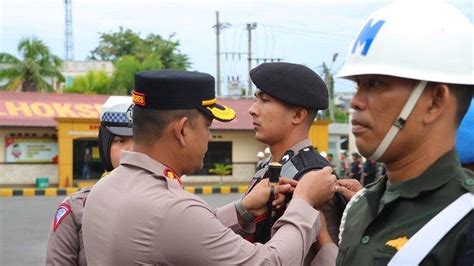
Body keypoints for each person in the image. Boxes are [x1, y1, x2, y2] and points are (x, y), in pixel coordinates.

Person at [82, 70, 337, 265]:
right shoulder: (171, 208)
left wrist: (243, 209)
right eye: (208, 127)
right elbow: (268, 262)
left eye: (265, 100)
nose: (209, 137)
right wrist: (303, 201)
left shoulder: (103, 189)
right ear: (182, 130)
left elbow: (190, 232)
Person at [336, 1, 473, 265]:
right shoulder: (359, 207)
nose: (355, 101)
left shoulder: (465, 223)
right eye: (358, 84)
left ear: (434, 102)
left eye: (375, 83)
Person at [246, 62, 342, 262]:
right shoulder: (268, 167)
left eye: (265, 100)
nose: (253, 110)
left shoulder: (313, 175)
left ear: (298, 115)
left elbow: (327, 256)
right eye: (256, 99)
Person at [45, 96, 134, 265]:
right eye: (120, 141)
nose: (130, 150)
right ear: (104, 145)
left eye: (139, 141)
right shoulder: (76, 208)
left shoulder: (173, 203)